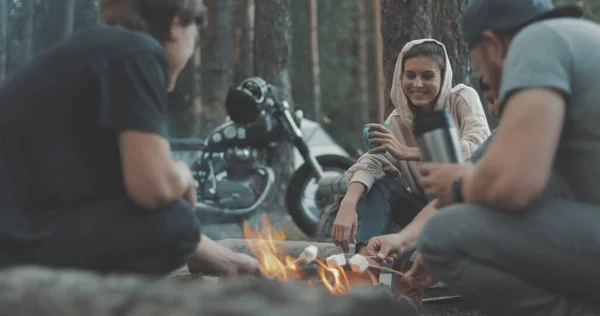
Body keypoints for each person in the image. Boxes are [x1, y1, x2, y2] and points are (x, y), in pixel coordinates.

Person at [367, 0, 600, 315]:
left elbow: (514, 187)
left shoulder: (537, 41)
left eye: (482, 68)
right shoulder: (580, 44)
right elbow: (471, 185)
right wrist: (404, 240)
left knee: (443, 235)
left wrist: (458, 187)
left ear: (493, 46)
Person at [0, 0, 264, 277]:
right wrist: (183, 175)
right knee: (177, 221)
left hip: (19, 232)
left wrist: (225, 259)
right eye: (195, 37)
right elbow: (153, 189)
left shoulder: (99, 51)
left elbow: (124, 198)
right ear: (175, 24)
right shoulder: (137, 50)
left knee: (170, 221)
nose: (191, 50)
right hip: (14, 244)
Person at [331, 39, 490, 292]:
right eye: (410, 75)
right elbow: (375, 160)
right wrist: (348, 203)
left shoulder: (461, 99)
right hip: (419, 213)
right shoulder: (398, 120)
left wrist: (408, 151)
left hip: (462, 211)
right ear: (400, 77)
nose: (417, 84)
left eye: (427, 76)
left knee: (437, 190)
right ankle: (366, 267)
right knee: (380, 185)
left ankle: (412, 287)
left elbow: (478, 148)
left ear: (443, 76)